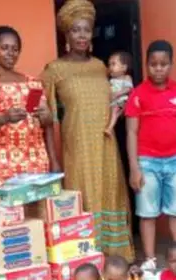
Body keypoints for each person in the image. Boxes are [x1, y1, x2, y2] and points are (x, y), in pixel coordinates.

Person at [42, 0, 134, 259]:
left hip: (106, 145)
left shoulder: (101, 67)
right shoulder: (54, 70)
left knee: (111, 194)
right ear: (66, 34)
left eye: (86, 29)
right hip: (77, 149)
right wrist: (53, 158)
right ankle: (86, 258)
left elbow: (116, 99)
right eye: (75, 30)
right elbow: (47, 119)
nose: (82, 35)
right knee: (83, 198)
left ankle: (115, 255)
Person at [126, 40, 176, 273]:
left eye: (163, 64)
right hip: (147, 162)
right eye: (153, 64)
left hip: (175, 161)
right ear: (146, 65)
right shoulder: (138, 94)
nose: (158, 68)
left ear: (171, 65)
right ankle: (150, 260)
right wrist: (135, 167)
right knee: (148, 214)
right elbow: (131, 131)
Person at [0, 26, 57, 205]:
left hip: (35, 159)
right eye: (4, 48)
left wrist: (47, 116)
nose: (10, 53)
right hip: (0, 162)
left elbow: (47, 123)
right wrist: (5, 118)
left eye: (15, 49)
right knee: (5, 220)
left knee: (36, 217)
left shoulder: (33, 82)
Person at [105, 51, 133, 137]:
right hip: (114, 102)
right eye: (109, 65)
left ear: (124, 67)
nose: (110, 67)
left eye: (113, 64)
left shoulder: (126, 77)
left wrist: (118, 94)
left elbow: (129, 88)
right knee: (112, 111)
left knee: (115, 110)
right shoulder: (111, 80)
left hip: (123, 101)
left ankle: (110, 128)